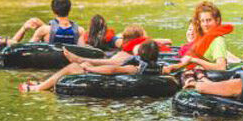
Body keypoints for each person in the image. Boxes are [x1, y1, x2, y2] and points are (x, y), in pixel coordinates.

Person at [19, 40, 162, 92]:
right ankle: (45, 84)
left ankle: (38, 88)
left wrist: (89, 68)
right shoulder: (157, 67)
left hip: (107, 81)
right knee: (79, 65)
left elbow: (113, 69)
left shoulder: (134, 68)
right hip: (115, 75)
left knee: (74, 67)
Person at [164, 1, 233, 80]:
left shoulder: (218, 40)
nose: (205, 24)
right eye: (202, 21)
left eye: (209, 20)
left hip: (207, 78)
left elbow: (221, 67)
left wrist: (194, 60)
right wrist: (171, 67)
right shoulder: (202, 37)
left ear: (217, 20)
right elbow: (187, 61)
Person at [9, 0, 86, 45]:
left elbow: (28, 47)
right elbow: (82, 51)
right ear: (69, 9)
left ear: (53, 10)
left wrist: (24, 28)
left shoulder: (44, 30)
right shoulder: (80, 31)